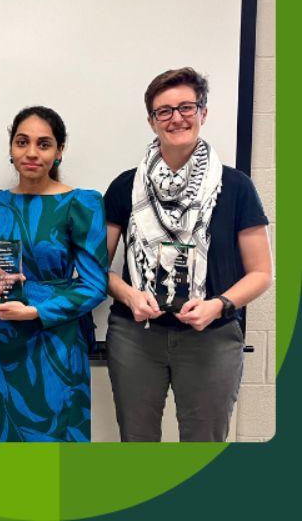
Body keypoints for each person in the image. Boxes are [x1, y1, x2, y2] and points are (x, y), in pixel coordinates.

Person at [104, 67, 273, 442]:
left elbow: (261, 272)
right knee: (137, 446)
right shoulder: (124, 186)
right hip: (137, 336)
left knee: (202, 452)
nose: (176, 117)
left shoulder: (237, 186)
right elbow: (94, 267)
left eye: (186, 107)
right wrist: (130, 295)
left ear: (203, 113)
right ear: (151, 121)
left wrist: (219, 304)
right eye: (164, 111)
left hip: (211, 336)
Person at [0, 106, 108, 442]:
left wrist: (36, 310)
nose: (31, 153)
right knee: (6, 445)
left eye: (44, 144)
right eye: (22, 142)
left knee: (57, 447)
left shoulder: (82, 202)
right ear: (11, 149)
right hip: (6, 337)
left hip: (57, 340)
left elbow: (95, 285)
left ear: (59, 151)